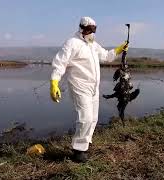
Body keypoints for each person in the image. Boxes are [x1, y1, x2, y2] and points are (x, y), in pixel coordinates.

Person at [50, 16, 128, 163]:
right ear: (82, 28)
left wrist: (119, 49)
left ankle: (86, 143)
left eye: (94, 29)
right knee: (85, 118)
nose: (92, 32)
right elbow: (60, 63)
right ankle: (78, 151)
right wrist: (54, 82)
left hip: (93, 87)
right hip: (79, 86)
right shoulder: (72, 43)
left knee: (93, 118)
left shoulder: (92, 44)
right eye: (89, 29)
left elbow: (106, 57)